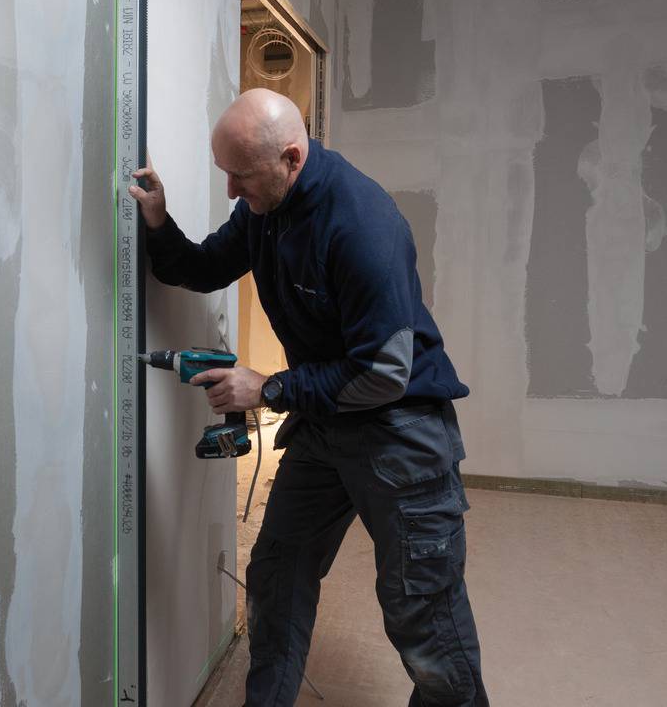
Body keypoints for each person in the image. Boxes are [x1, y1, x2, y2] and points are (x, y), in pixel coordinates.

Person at [129, 88, 489, 707]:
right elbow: (202, 266)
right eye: (225, 174)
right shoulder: (267, 210)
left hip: (400, 433)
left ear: (291, 158)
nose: (231, 193)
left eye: (240, 177)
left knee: (422, 610)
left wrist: (268, 387)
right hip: (327, 425)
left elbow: (383, 373)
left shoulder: (362, 225)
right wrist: (157, 222)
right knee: (277, 576)